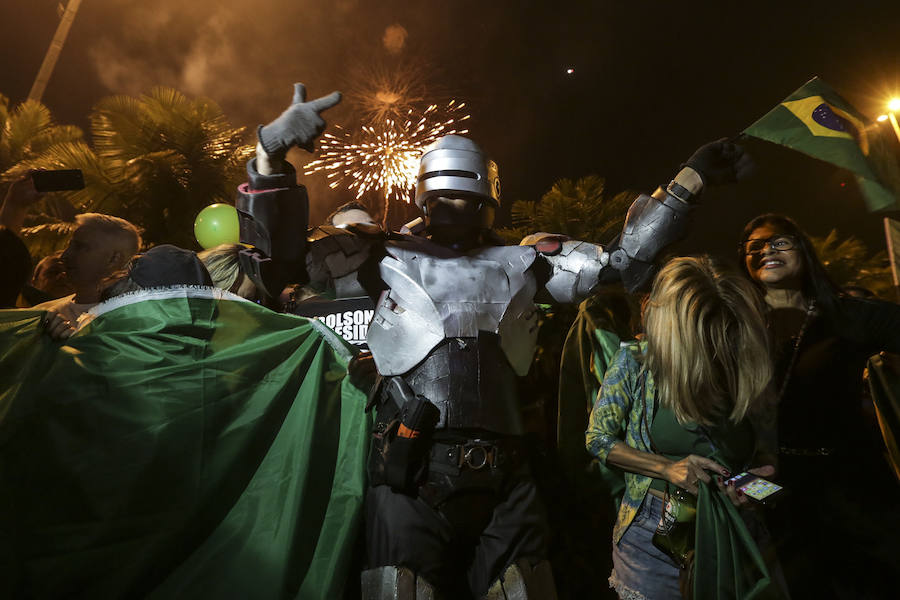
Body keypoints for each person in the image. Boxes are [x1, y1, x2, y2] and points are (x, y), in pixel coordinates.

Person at [235, 82, 753, 599]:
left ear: (488, 197)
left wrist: (689, 181)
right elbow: (281, 266)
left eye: (467, 196)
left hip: (507, 474)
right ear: (426, 195)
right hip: (408, 470)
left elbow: (621, 263)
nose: (457, 207)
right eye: (446, 197)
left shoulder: (527, 260)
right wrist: (270, 158)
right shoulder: (381, 255)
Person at [586, 255, 777, 599]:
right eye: (704, 335)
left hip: (735, 537)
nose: (716, 348)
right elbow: (597, 440)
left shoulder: (745, 367)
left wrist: (755, 490)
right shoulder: (635, 361)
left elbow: (770, 469)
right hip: (655, 539)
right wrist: (668, 468)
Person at [738, 213, 900, 598]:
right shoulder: (735, 331)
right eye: (754, 247)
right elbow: (718, 437)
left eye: (779, 241)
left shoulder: (845, 316)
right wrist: (742, 486)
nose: (765, 250)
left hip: (856, 492)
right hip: (779, 501)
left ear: (804, 251)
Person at [33, 213, 141, 323]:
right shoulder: (41, 314)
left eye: (80, 247)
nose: (64, 255)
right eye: (69, 246)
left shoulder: (132, 324)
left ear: (113, 259)